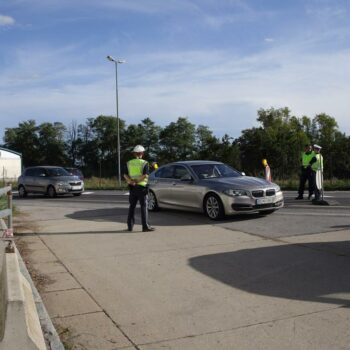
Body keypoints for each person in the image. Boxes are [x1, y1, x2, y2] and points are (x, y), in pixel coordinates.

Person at [123, 145, 155, 232]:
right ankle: (145, 226)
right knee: (143, 207)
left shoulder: (129, 163)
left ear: (134, 153)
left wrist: (130, 181)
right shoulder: (144, 163)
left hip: (132, 188)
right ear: (142, 153)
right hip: (141, 187)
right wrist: (136, 181)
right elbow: (145, 175)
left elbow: (125, 175)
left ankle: (130, 226)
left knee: (132, 207)